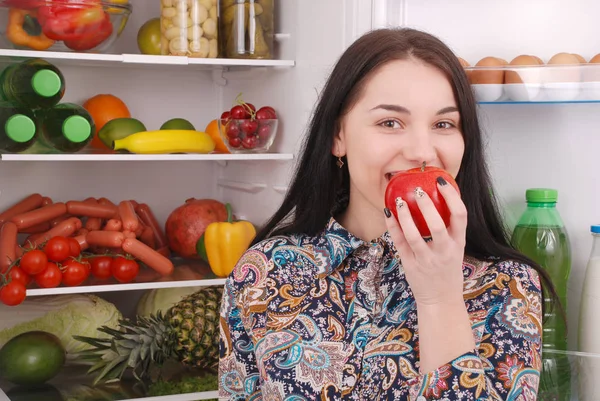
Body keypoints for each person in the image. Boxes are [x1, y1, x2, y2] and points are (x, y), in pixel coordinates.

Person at [219, 27, 554, 400]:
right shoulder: (264, 271)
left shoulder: (509, 287)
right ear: (338, 136)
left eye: (443, 124)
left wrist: (440, 297)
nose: (422, 152)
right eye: (390, 122)